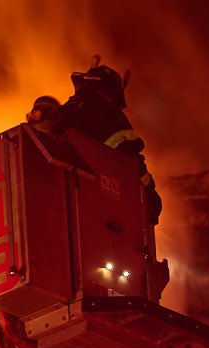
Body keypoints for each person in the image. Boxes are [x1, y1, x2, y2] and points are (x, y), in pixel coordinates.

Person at [60, 59, 162, 225]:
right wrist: (150, 193)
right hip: (94, 206)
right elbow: (130, 157)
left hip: (67, 205)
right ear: (109, 92)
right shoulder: (106, 112)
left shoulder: (63, 112)